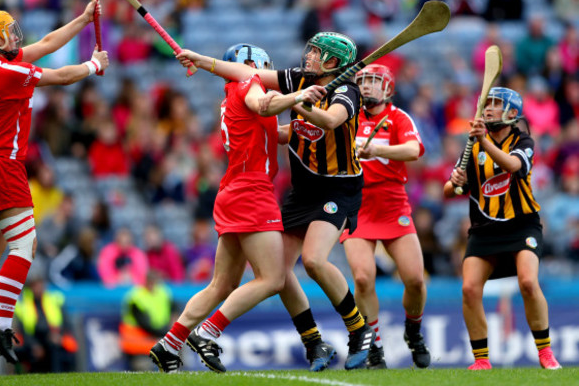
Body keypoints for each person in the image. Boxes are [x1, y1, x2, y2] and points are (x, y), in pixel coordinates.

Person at [176, 33, 375, 372]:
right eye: (310, 49)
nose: (308, 56)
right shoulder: (299, 79)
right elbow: (244, 75)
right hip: (302, 191)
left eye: (317, 53)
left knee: (313, 260)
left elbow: (328, 121)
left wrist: (296, 100)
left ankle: (359, 330)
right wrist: (201, 59)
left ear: (333, 63)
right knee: (278, 273)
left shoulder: (347, 91)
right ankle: (314, 344)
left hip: (337, 189)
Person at [0, 4, 109, 364]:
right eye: (7, 32)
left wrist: (83, 17)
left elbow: (46, 42)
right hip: (0, 165)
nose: (15, 36)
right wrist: (94, 66)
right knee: (24, 247)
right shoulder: (4, 72)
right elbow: (60, 77)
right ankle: (1, 323)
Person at [150, 43, 296, 373]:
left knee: (222, 285)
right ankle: (208, 331)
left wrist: (305, 126)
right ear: (253, 65)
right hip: (252, 191)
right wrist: (298, 98)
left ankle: (170, 343)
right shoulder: (248, 86)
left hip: (235, 190)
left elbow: (275, 132)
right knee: (273, 278)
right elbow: (266, 105)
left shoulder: (236, 93)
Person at [443, 87, 562, 370]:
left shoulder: (524, 140)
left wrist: (483, 142)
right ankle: (482, 360)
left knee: (528, 282)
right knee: (470, 289)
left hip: (522, 226)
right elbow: (450, 191)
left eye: (496, 104)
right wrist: (455, 179)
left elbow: (513, 166)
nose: (488, 108)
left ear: (511, 114)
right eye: (487, 103)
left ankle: (545, 353)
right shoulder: (471, 146)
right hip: (484, 230)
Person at [340, 64, 430, 369]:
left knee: (415, 280)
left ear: (388, 89)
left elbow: (415, 149)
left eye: (375, 82)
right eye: (363, 81)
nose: (367, 87)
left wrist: (378, 147)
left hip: (393, 204)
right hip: (357, 204)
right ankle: (374, 345)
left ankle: (413, 331)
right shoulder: (347, 116)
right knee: (363, 278)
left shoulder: (398, 118)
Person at [120, 270, 175, 371]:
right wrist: (167, 333)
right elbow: (144, 323)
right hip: (138, 342)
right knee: (143, 368)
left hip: (158, 339)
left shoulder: (163, 293)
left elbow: (174, 310)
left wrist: (171, 329)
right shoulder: (136, 296)